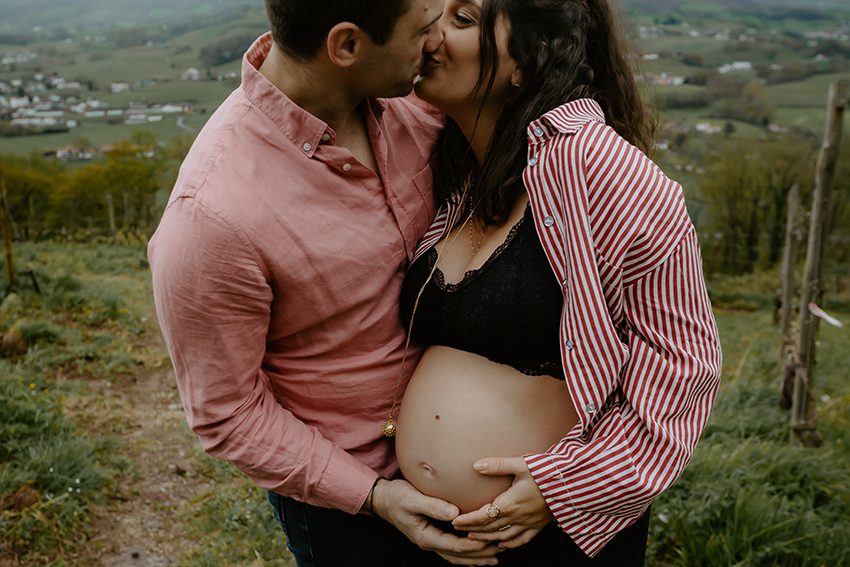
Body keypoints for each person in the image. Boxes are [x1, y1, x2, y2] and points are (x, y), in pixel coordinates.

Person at [148, 1, 506, 565]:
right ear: (346, 47)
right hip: (354, 520)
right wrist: (374, 498)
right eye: (419, 30)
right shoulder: (212, 217)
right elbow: (227, 414)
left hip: (483, 494)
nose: (435, 40)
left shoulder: (419, 106)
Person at [395, 0, 723, 564]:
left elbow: (684, 364)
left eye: (463, 19)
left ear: (528, 58)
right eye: (435, 13)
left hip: (552, 540)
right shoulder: (462, 172)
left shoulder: (600, 167)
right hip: (441, 541)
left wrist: (563, 489)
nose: (432, 35)